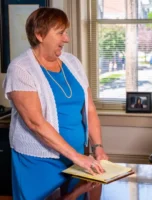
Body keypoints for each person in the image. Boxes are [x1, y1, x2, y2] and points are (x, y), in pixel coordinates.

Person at [3, 8, 108, 199]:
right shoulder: (20, 69)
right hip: (39, 162)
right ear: (39, 35)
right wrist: (78, 158)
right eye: (60, 33)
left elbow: (89, 109)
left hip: (77, 158)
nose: (66, 39)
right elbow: (36, 123)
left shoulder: (73, 63)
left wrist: (97, 147)